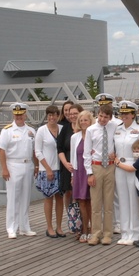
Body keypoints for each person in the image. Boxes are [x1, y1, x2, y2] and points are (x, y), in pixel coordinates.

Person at [0, 102, 38, 239]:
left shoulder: (31, 131)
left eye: (21, 114)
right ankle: (11, 228)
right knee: (13, 198)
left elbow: (34, 151)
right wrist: (4, 168)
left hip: (28, 165)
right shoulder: (7, 130)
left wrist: (36, 166)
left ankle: (24, 227)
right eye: (16, 114)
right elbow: (1, 149)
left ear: (25, 115)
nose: (19, 116)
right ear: (13, 115)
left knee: (26, 198)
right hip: (13, 165)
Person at [113, 100, 139, 245]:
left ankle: (135, 232)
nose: (124, 116)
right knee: (122, 199)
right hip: (118, 165)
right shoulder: (117, 129)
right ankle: (125, 232)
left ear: (133, 115)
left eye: (127, 113)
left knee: (133, 200)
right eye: (122, 113)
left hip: (134, 165)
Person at [84, 104, 117, 245]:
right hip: (96, 166)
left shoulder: (114, 127)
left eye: (106, 117)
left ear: (110, 118)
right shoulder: (91, 130)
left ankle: (108, 234)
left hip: (109, 167)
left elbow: (119, 142)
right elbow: (86, 153)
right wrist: (89, 173)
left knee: (108, 202)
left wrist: (116, 153)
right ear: (98, 114)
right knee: (96, 203)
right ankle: (96, 233)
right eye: (101, 116)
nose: (103, 119)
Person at [35, 105, 64, 238]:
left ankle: (59, 226)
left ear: (58, 116)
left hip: (60, 169)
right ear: (47, 116)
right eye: (50, 115)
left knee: (60, 198)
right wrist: (47, 168)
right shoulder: (41, 130)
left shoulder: (62, 129)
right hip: (47, 169)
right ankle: (49, 227)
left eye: (54, 115)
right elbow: (38, 151)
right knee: (48, 198)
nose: (52, 117)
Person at [70, 110, 93, 242]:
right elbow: (73, 157)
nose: (83, 123)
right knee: (82, 201)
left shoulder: (94, 135)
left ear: (90, 121)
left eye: (86, 120)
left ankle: (93, 229)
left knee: (91, 201)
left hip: (91, 172)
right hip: (79, 172)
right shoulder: (75, 137)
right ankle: (84, 229)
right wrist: (72, 175)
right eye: (81, 120)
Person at [56, 100, 77, 211]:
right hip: (67, 164)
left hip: (81, 165)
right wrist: (65, 163)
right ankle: (71, 218)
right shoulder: (65, 128)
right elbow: (59, 147)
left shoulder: (85, 127)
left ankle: (83, 221)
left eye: (73, 112)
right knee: (68, 192)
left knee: (80, 194)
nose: (70, 114)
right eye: (67, 111)